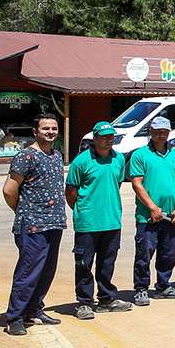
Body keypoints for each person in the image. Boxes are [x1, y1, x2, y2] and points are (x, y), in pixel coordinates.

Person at [0, 113, 66, 336]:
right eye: (45, 128)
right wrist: (24, 211)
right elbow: (9, 190)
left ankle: (34, 310)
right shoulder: (26, 156)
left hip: (54, 223)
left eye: (54, 128)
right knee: (28, 273)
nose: (50, 132)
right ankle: (15, 318)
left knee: (46, 271)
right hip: (32, 225)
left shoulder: (56, 155)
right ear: (35, 132)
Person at [65, 122, 133, 319]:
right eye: (104, 136)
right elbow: (70, 192)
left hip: (112, 221)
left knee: (107, 262)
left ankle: (106, 299)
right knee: (84, 264)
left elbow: (116, 184)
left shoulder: (119, 159)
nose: (108, 139)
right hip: (88, 223)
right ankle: (84, 303)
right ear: (94, 139)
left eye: (111, 136)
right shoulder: (81, 161)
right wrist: (83, 210)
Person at [128, 116, 175, 305]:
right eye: (158, 131)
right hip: (148, 217)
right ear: (151, 132)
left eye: (165, 132)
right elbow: (137, 184)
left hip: (171, 216)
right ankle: (141, 289)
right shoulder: (140, 155)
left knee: (169, 253)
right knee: (144, 253)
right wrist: (152, 208)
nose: (162, 135)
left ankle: (163, 285)